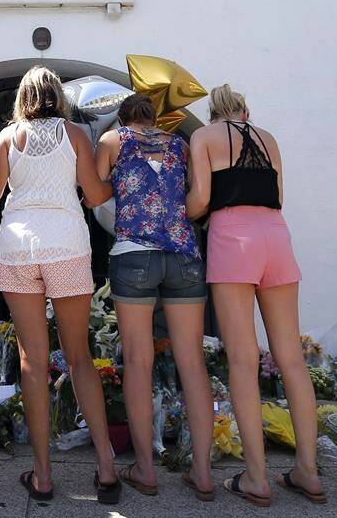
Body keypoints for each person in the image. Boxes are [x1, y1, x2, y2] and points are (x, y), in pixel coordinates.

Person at [0, 66, 121, 505]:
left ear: (23, 98)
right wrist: (121, 180)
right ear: (58, 95)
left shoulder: (7, 136)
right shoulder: (75, 135)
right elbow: (93, 195)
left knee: (32, 361)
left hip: (18, 248)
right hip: (67, 246)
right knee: (79, 358)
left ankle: (42, 475)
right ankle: (107, 468)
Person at [186, 84, 326, 505]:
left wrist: (185, 211)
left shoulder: (204, 137)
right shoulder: (269, 138)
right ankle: (308, 470)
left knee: (243, 360)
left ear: (213, 113)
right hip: (276, 238)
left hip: (233, 239)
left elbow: (200, 201)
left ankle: (257, 477)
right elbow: (278, 197)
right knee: (292, 359)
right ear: (245, 110)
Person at [94, 93, 215, 501]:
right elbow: (197, 196)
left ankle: (145, 469)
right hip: (184, 255)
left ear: (123, 116)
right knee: (192, 363)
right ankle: (202, 472)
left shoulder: (113, 141)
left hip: (134, 255)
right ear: (154, 118)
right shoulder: (180, 144)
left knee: (139, 363)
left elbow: (96, 193)